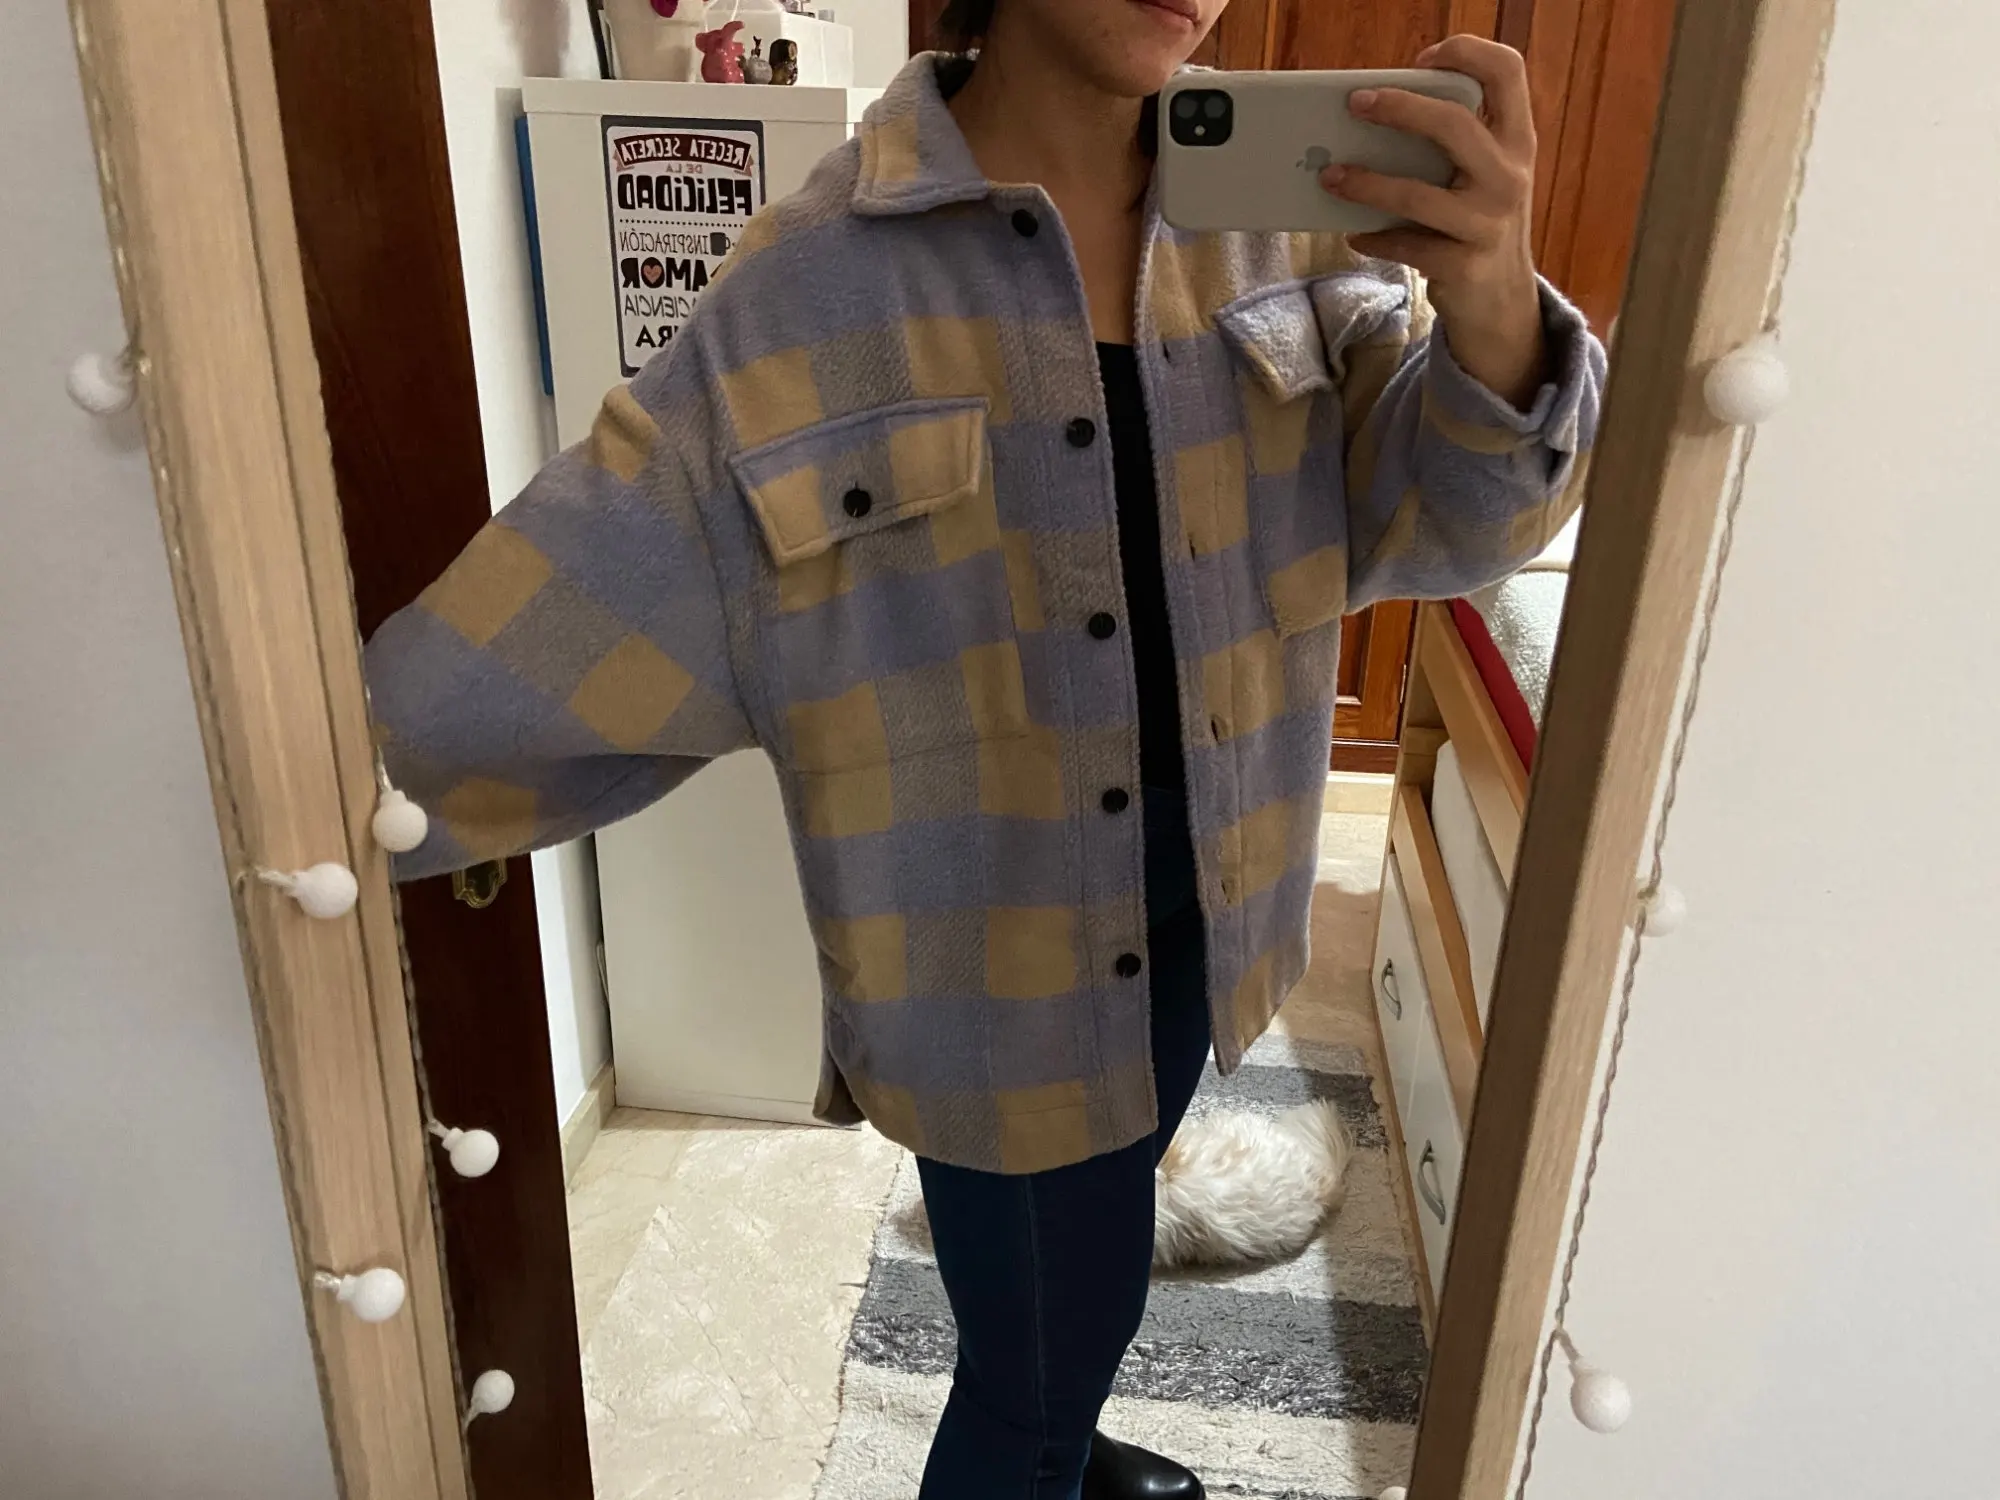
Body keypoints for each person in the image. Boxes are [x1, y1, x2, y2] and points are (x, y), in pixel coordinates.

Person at [364, 1, 1605, 1494]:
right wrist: (314, 802)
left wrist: (1492, 299)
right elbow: (545, 625)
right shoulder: (811, 288)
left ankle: (1076, 1444)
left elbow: (1457, 523)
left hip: (1212, 901)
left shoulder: (1288, 225)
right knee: (1026, 1381)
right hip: (995, 972)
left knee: (1088, 1280)